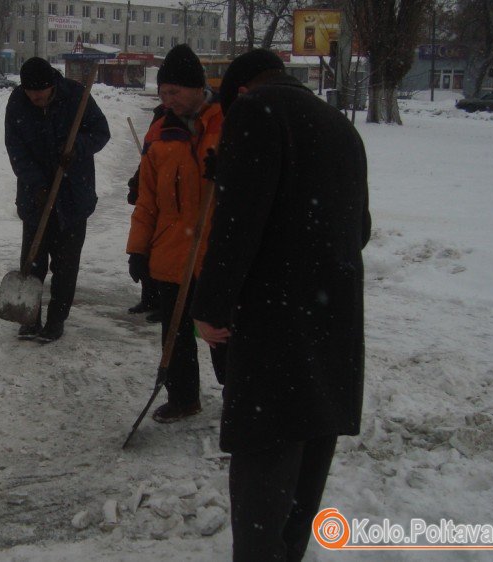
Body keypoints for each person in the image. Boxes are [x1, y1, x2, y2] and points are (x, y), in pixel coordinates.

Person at [190, 49, 371, 561]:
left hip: (275, 324)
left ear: (241, 91)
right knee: (308, 460)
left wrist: (212, 305)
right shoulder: (341, 126)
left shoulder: (256, 110)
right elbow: (360, 230)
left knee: (264, 471)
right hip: (332, 323)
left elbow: (237, 226)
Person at [125, 44, 225, 423]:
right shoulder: (161, 131)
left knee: (219, 334)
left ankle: (240, 400)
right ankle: (183, 398)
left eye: (176, 92)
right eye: (163, 92)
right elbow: (148, 201)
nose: (168, 100)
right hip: (169, 251)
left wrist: (226, 171)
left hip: (214, 251)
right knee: (175, 335)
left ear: (199, 87)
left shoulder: (224, 122)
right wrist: (139, 250)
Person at [4, 57, 110, 342]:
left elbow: (101, 132)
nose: (36, 97)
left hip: (74, 196)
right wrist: (36, 184)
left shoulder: (76, 96)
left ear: (52, 84)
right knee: (33, 261)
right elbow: (15, 149)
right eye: (31, 92)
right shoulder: (17, 102)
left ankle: (56, 320)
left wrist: (77, 148)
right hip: (35, 199)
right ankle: (30, 317)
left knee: (65, 266)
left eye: (42, 92)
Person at [125, 103, 165, 324]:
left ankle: (165, 303)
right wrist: (136, 183)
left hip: (171, 198)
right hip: (152, 197)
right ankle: (149, 298)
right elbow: (148, 157)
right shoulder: (160, 116)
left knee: (163, 252)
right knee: (146, 249)